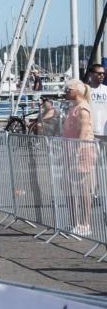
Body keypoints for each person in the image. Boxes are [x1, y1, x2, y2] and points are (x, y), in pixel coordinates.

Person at [62, 79, 96, 236]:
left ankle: (85, 223)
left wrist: (76, 153)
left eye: (68, 89)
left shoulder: (83, 109)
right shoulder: (73, 107)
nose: (65, 92)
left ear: (77, 91)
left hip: (82, 153)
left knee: (83, 189)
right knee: (69, 188)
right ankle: (73, 222)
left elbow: (83, 134)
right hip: (70, 151)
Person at [86, 62, 107, 138]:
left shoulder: (106, 89)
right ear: (91, 74)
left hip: (105, 131)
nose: (102, 75)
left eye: (103, 74)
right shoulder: (85, 90)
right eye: (99, 73)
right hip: (90, 131)